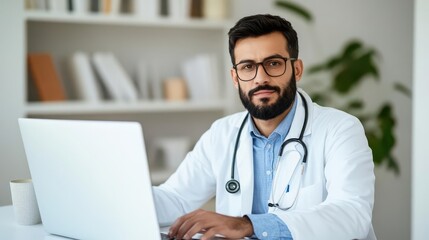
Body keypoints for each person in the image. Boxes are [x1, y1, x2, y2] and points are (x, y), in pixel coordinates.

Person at [153, 14, 376, 240]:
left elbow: (351, 214)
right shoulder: (221, 133)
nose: (260, 78)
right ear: (235, 77)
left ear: (297, 69)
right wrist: (122, 197)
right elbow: (176, 198)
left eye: (273, 63)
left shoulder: (340, 129)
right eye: (248, 67)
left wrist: (248, 225)